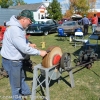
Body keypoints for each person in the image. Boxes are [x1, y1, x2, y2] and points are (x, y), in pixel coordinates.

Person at [1, 10, 47, 100]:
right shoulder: (15, 30)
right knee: (16, 86)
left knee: (21, 77)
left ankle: (26, 93)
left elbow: (18, 42)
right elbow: (24, 49)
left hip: (13, 60)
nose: (30, 23)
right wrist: (39, 52)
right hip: (12, 61)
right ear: (24, 19)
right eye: (30, 21)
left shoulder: (17, 27)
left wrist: (28, 44)